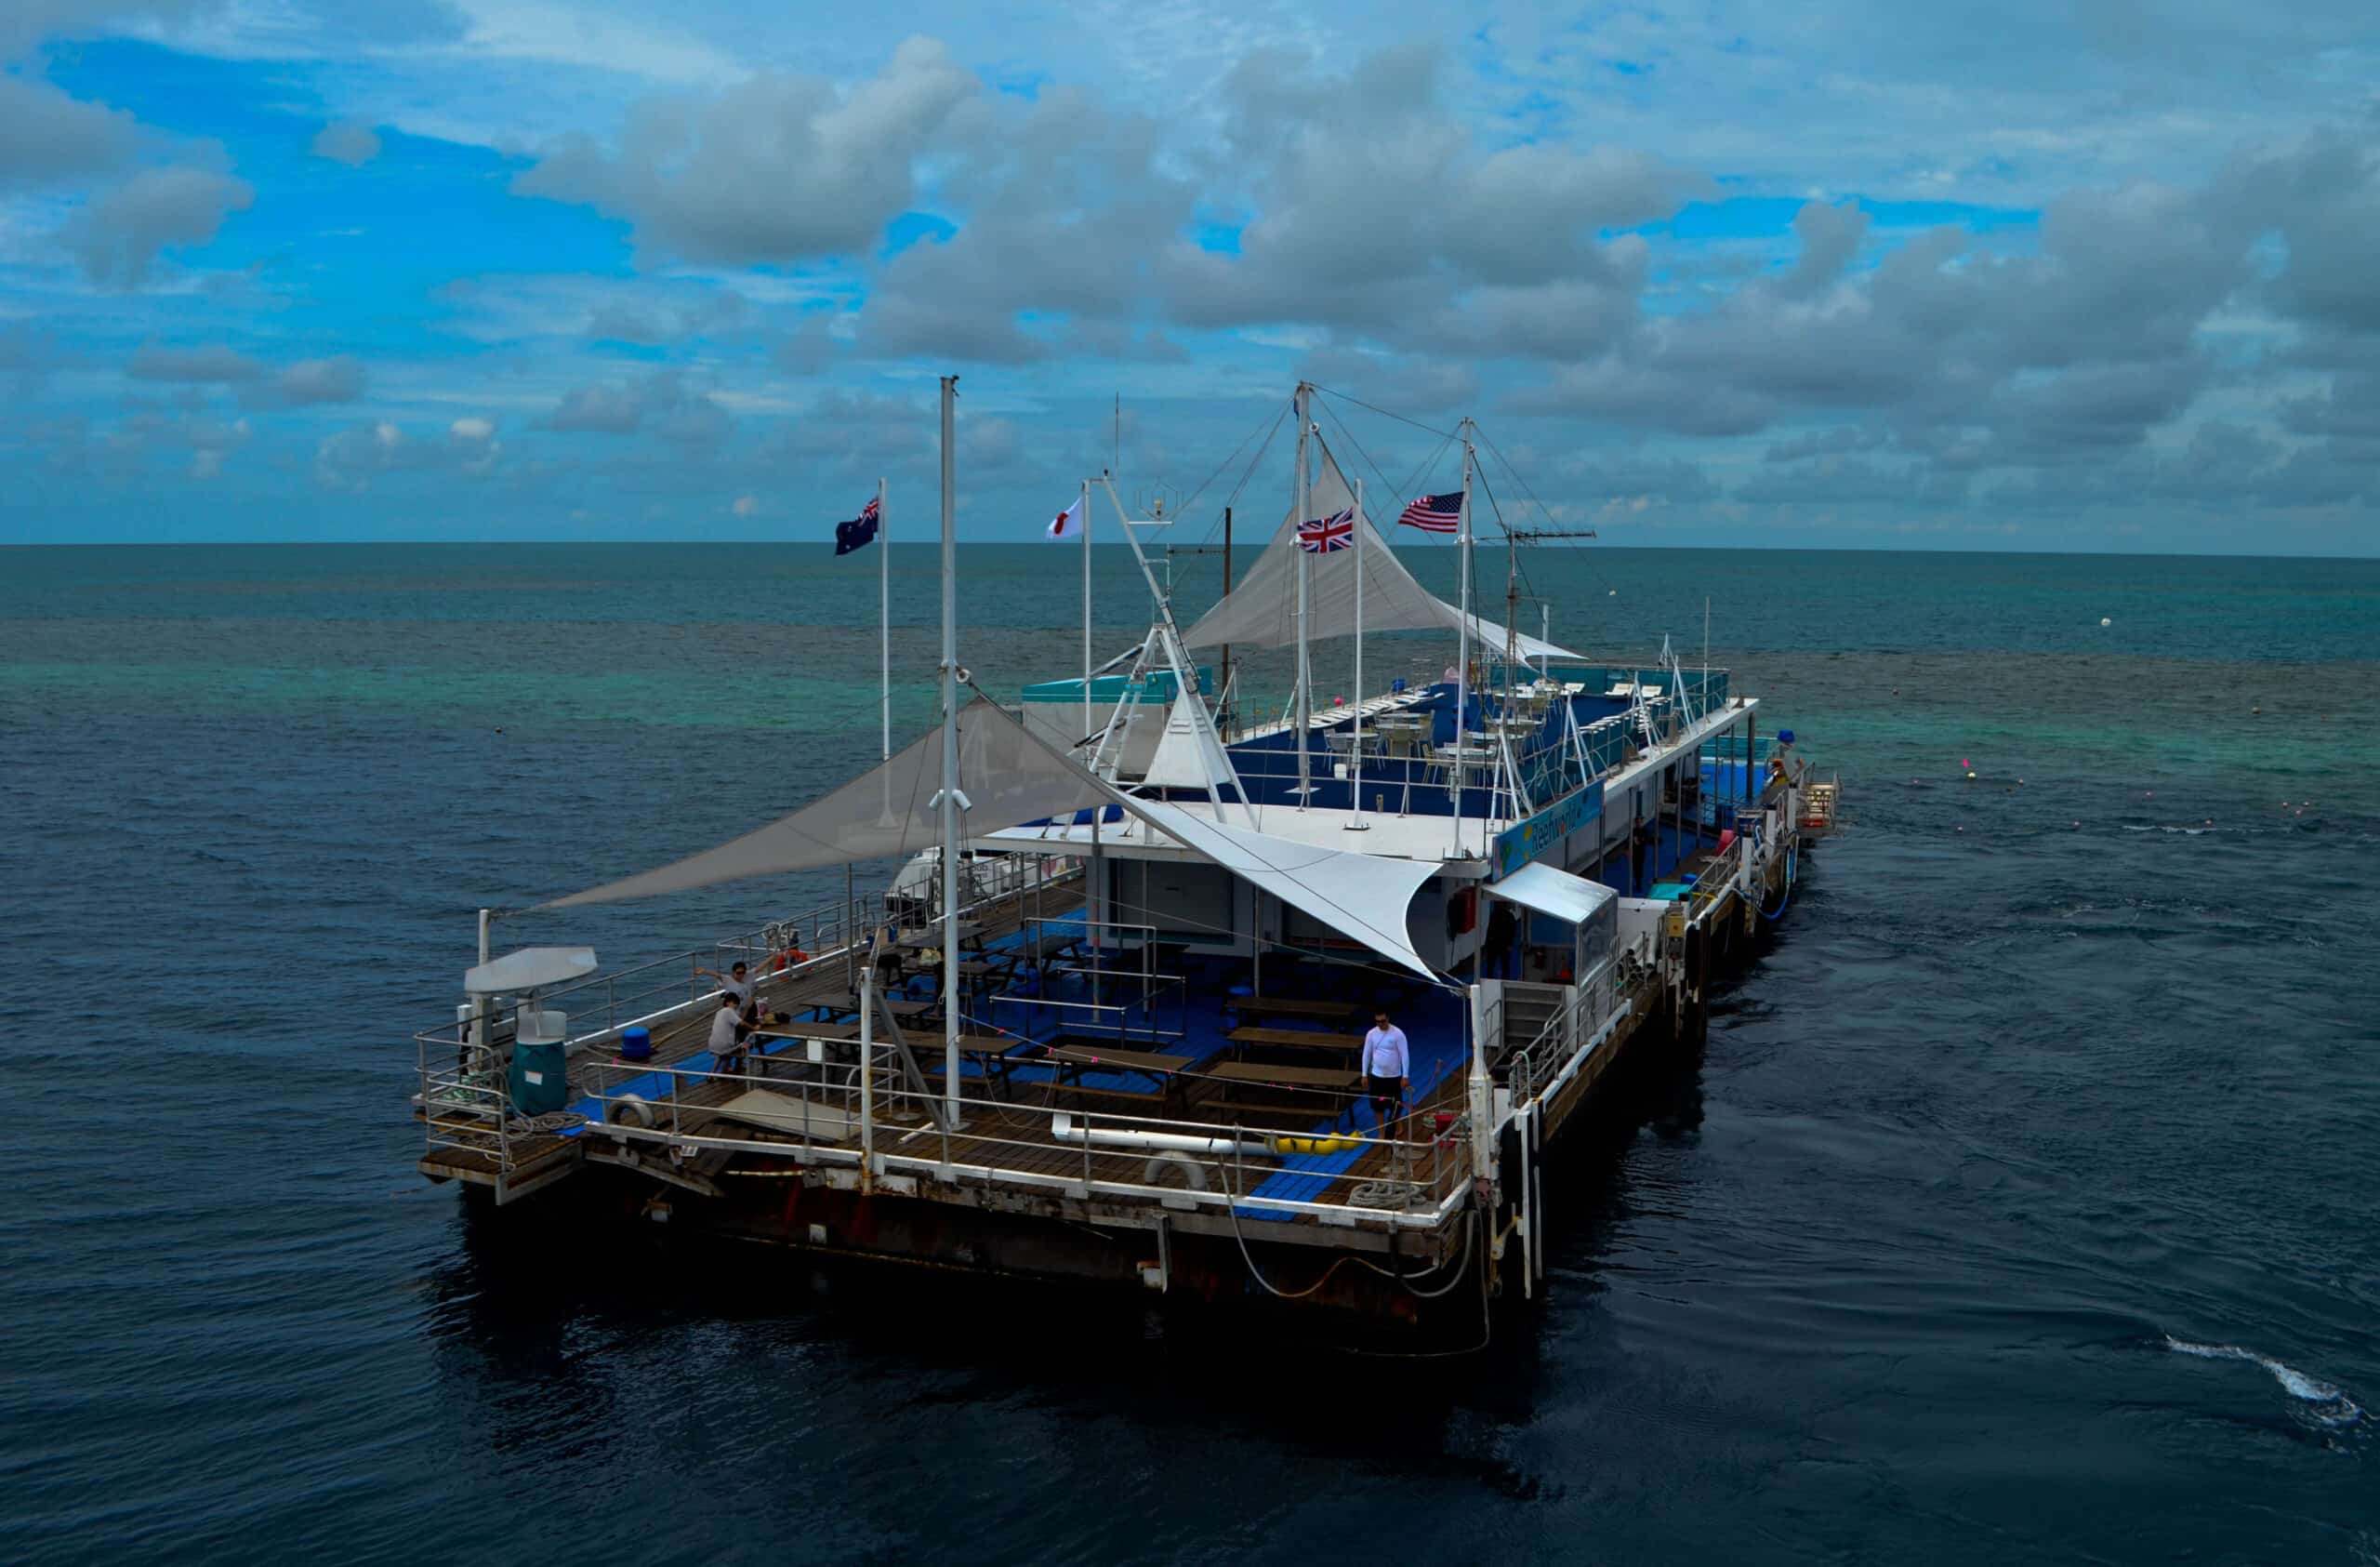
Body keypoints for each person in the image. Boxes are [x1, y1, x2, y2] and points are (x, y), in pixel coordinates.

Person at [1360, 1008, 1410, 1137]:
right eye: (1377, 1021)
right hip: (1376, 1076)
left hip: (1393, 1076)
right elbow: (1366, 1054)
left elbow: (1405, 1055)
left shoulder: (1398, 1034)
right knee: (1378, 1104)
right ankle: (1382, 1131)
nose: (1380, 1024)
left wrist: (1405, 1076)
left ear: (1388, 1019)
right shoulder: (1371, 1034)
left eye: (1383, 1021)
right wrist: (1364, 1074)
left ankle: (1397, 1125)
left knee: (1395, 1103)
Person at [707, 991, 746, 1075]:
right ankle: (730, 1070)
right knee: (742, 1047)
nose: (736, 1005)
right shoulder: (729, 1011)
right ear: (728, 1003)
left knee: (724, 1053)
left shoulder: (719, 1012)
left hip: (713, 1044)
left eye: (737, 1003)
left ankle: (712, 1073)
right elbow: (741, 1023)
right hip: (724, 1046)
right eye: (735, 1003)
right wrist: (754, 1027)